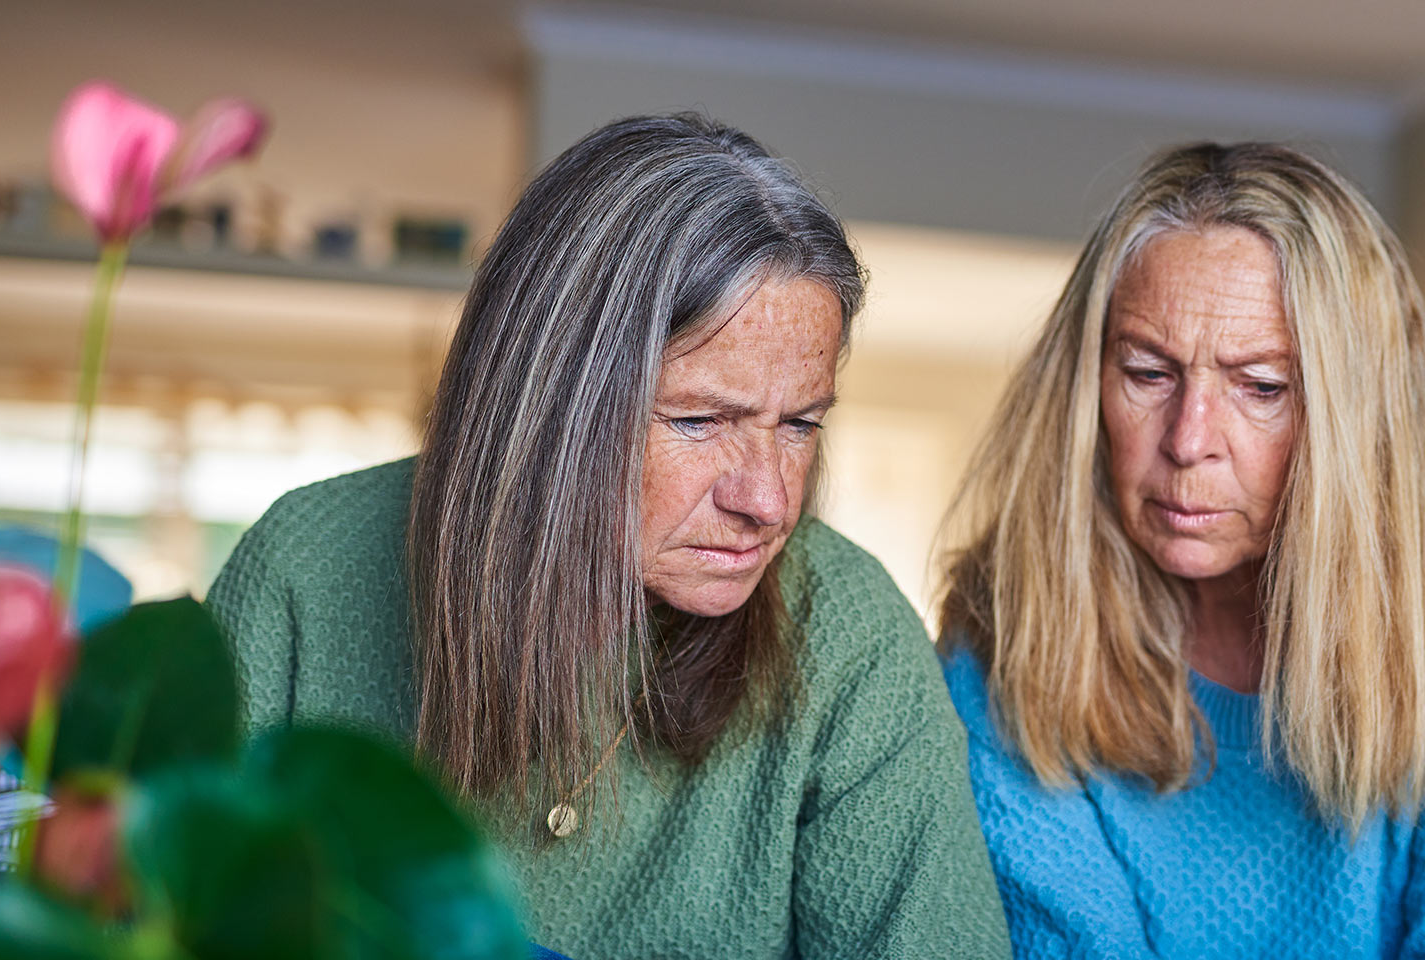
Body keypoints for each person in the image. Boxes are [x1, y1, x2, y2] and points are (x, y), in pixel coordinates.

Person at [209, 113, 1008, 958]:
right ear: (551, 401)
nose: (770, 501)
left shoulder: (847, 632)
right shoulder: (303, 569)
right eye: (701, 421)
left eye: (801, 424)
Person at [936, 141, 1425, 957]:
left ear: (1354, 420)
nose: (1190, 440)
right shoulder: (1000, 674)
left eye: (1261, 386)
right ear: (1087, 389)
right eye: (1148, 372)